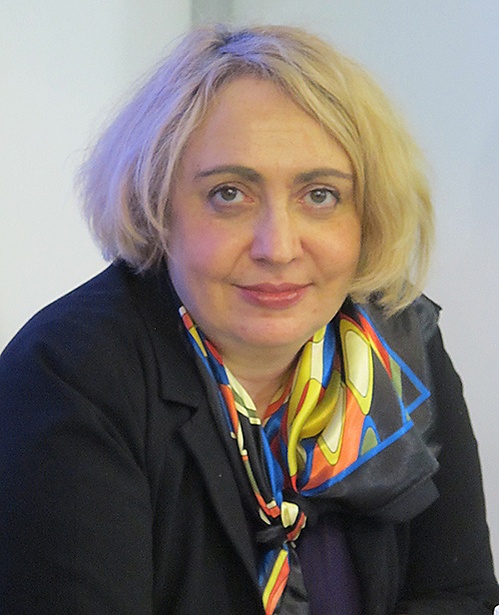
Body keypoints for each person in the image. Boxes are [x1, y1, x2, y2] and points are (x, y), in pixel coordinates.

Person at [0, 24, 497, 615]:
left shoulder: (399, 345)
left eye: (320, 195)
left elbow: (456, 594)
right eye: (230, 194)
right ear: (156, 206)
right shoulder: (68, 375)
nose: (278, 248)